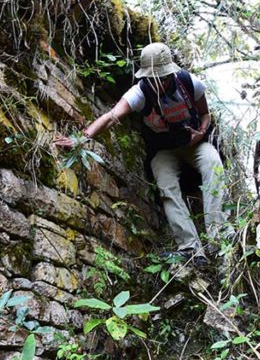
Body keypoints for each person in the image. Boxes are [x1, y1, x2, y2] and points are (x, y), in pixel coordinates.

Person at [58, 42, 226, 263]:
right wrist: (81, 139)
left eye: (162, 78)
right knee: (166, 184)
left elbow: (205, 114)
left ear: (170, 74)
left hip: (194, 144)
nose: (157, 82)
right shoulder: (140, 91)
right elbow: (111, 116)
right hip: (163, 150)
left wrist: (201, 132)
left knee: (214, 164)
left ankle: (219, 240)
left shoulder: (188, 82)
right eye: (152, 78)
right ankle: (191, 249)